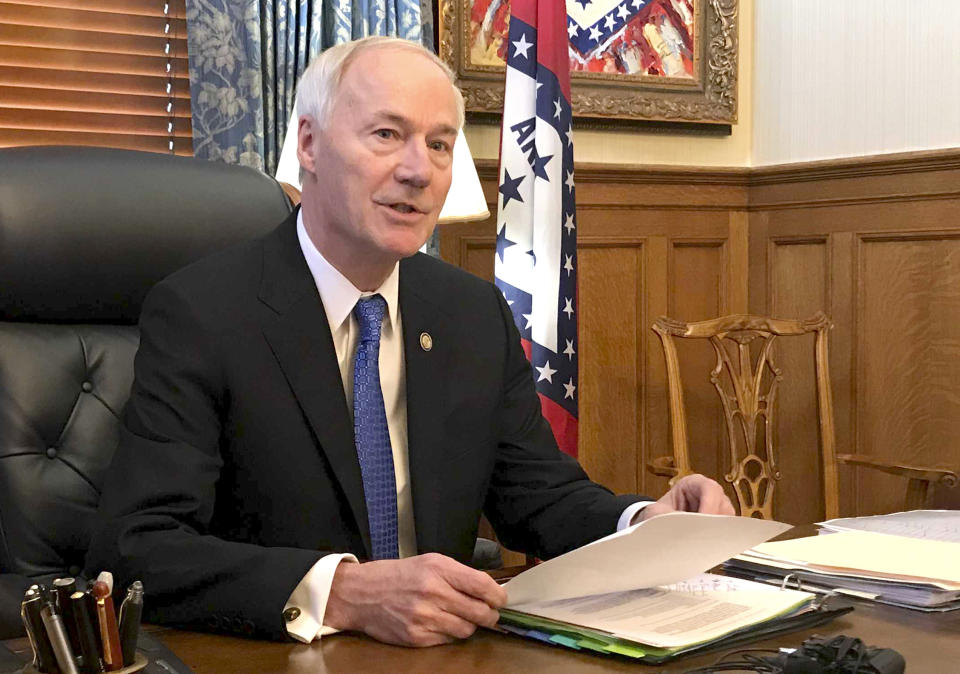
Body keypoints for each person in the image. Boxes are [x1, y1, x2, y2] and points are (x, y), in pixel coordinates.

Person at [86, 36, 733, 648]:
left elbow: (539, 496)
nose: (419, 170)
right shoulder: (204, 311)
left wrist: (647, 523)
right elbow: (137, 547)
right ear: (309, 144)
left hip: (445, 655)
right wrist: (341, 592)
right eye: (387, 135)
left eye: (441, 144)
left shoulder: (470, 311)